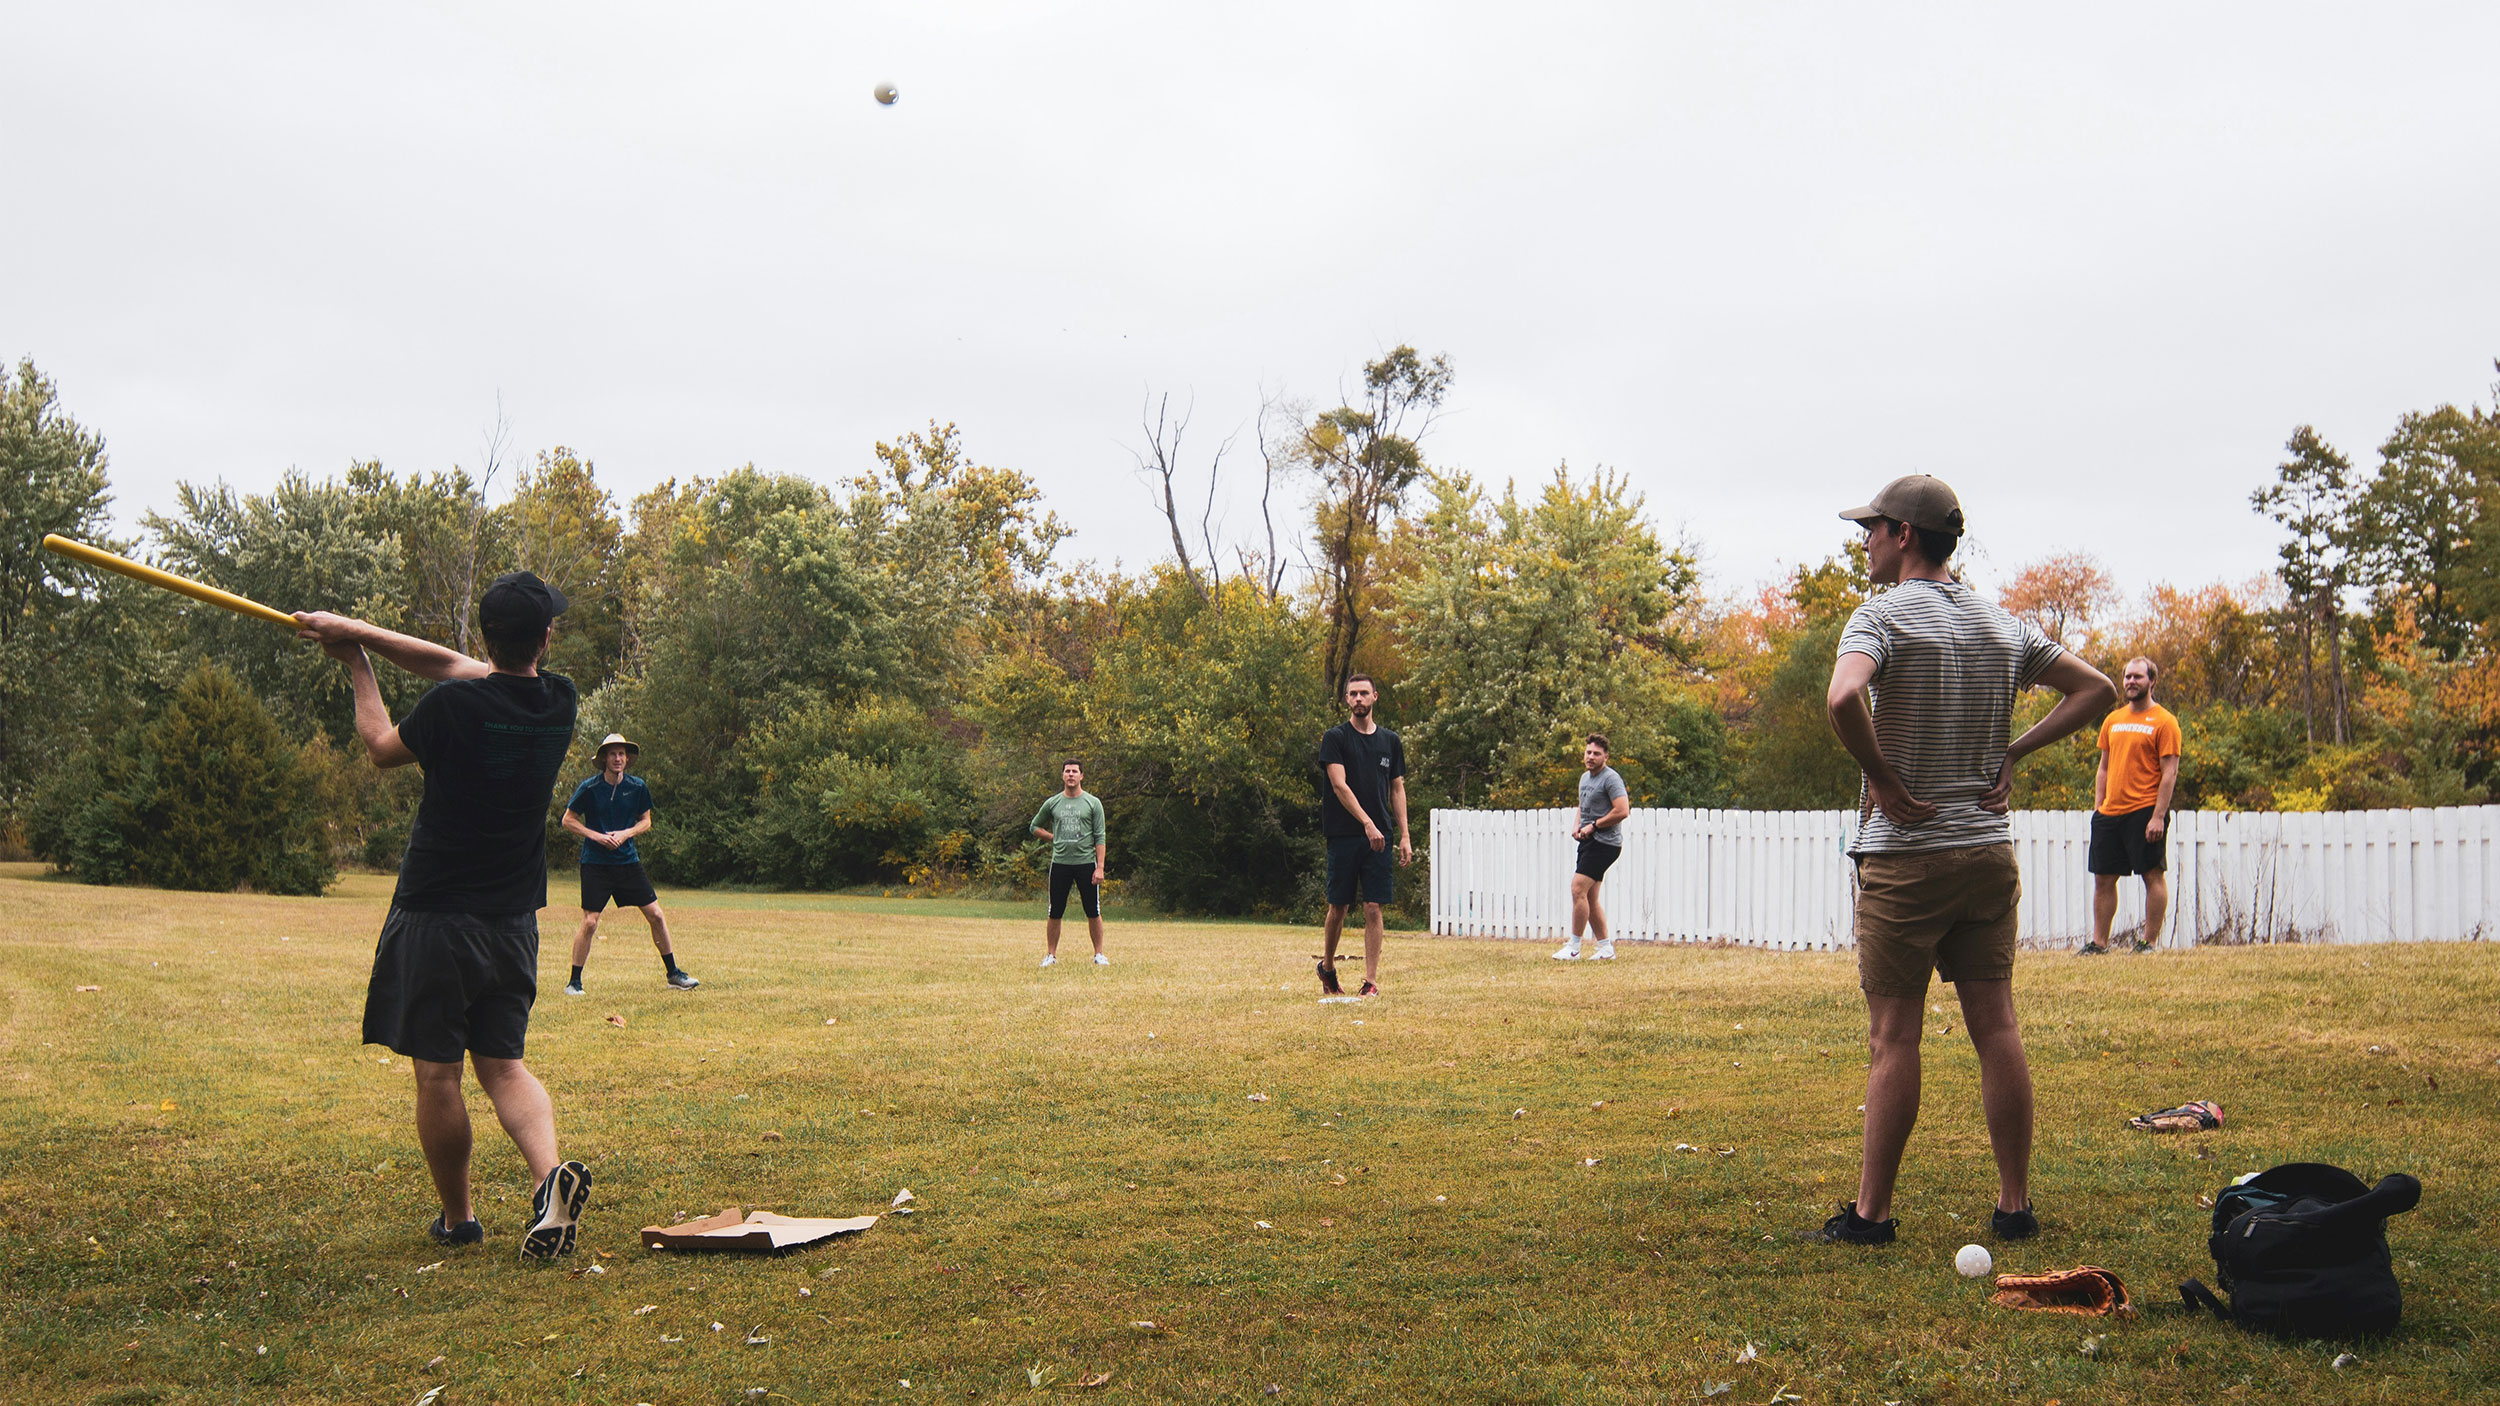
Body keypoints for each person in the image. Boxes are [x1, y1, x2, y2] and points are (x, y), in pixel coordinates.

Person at [1817, 476, 2115, 1247]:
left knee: (1894, 1038)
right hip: (1986, 852)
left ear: (1906, 535)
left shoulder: (1879, 616)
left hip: (1907, 858)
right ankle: (2015, 1206)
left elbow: (1843, 698)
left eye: (1872, 528)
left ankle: (1871, 1218)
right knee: (1997, 1027)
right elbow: (2097, 688)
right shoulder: (2001, 623)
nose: (1865, 540)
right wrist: (2011, 750)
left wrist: (1883, 777)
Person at [295, 572, 595, 1261]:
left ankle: (459, 1219)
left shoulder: (451, 709)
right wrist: (358, 628)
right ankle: (549, 1178)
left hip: (436, 914)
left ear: (487, 636)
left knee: (438, 1073)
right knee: (505, 1066)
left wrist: (357, 664)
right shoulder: (558, 700)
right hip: (513, 918)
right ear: (544, 639)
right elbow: (460, 667)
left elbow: (379, 747)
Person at [561, 734, 697, 994]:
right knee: (590, 922)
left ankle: (674, 974)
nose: (618, 758)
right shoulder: (589, 788)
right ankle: (574, 982)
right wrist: (597, 836)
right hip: (595, 864)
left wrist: (625, 834)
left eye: (621, 754)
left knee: (656, 915)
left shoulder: (637, 787)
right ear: (603, 759)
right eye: (612, 754)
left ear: (627, 758)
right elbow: (568, 820)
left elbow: (646, 821)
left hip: (627, 863)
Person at [2079, 657, 2182, 956]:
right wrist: (2099, 807)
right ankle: (2099, 943)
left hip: (2145, 811)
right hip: (2110, 813)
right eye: (2127, 677)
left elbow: (2169, 773)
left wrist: (2158, 817)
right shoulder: (2113, 720)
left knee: (2152, 875)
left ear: (2152, 681)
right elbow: (2104, 769)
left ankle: (2147, 943)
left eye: (2137, 677)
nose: (2130, 682)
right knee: (2103, 879)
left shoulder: (2165, 721)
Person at [1316, 674, 1410, 997]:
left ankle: (1371, 982)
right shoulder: (1335, 738)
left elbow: (1397, 788)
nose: (1358, 699)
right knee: (1338, 907)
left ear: (1375, 697)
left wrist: (1405, 835)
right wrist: (1366, 822)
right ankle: (1327, 967)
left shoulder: (1390, 742)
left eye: (1364, 694)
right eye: (1352, 694)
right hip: (1344, 834)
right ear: (1346, 699)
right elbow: (1339, 785)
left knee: (1373, 907)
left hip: (1380, 837)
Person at [1554, 733, 1629, 961]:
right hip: (1589, 842)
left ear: (1606, 756)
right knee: (1590, 896)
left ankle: (1574, 947)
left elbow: (1622, 810)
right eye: (1588, 752)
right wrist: (1578, 826)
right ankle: (1606, 949)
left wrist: (1594, 826)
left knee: (1577, 889)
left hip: (1605, 844)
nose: (1591, 757)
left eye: (1596, 753)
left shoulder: (1611, 779)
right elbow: (1582, 806)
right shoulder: (1585, 778)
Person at [1030, 759, 1108, 966]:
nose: (1071, 775)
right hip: (1060, 864)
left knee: (1093, 910)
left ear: (1081, 776)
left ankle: (1099, 954)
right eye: (1067, 771)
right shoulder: (1053, 803)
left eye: (1075, 771)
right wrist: (1052, 837)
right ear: (1063, 775)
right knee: (1055, 910)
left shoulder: (1093, 803)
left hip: (1086, 864)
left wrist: (1100, 867)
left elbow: (1100, 836)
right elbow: (1034, 826)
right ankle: (1050, 955)